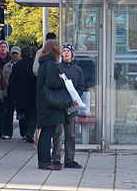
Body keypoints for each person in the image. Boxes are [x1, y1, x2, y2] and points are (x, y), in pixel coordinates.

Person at [52, 43, 85, 168]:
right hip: (60, 104)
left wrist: (77, 96)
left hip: (72, 104)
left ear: (72, 53)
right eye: (64, 51)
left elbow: (81, 85)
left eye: (68, 51)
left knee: (70, 133)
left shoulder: (77, 70)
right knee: (58, 132)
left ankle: (69, 159)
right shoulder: (57, 67)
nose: (66, 53)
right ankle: (56, 158)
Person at [36, 40, 67, 170]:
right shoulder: (52, 65)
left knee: (45, 132)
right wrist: (63, 81)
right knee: (48, 132)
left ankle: (43, 160)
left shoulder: (43, 64)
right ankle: (45, 161)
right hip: (50, 104)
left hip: (43, 102)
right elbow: (52, 83)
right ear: (55, 49)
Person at [8, 46, 37, 143]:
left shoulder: (17, 66)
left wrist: (11, 95)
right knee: (32, 114)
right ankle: (30, 131)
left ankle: (23, 132)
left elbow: (12, 82)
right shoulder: (34, 64)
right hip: (32, 94)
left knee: (22, 114)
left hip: (20, 95)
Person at [0, 46, 21, 139]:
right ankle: (8, 132)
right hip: (8, 93)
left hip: (20, 93)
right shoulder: (7, 66)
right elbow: (3, 80)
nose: (15, 55)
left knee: (21, 114)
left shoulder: (22, 65)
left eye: (16, 53)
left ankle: (24, 132)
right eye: (13, 54)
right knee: (8, 113)